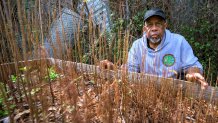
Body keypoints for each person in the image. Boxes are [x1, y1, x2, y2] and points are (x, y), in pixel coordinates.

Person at [100, 8, 208, 88]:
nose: (154, 28)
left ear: (165, 25)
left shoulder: (179, 42)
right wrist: (114, 69)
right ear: (144, 28)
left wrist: (193, 73)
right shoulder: (137, 46)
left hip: (173, 93)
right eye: (150, 25)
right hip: (145, 94)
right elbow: (130, 71)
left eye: (158, 24)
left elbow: (192, 65)